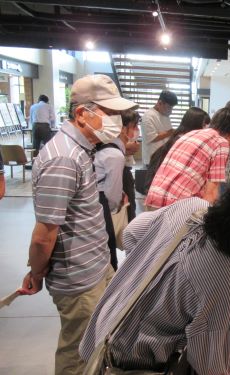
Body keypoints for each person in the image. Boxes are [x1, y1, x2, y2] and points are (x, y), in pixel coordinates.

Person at [80, 170, 230, 374]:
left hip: (104, 332)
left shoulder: (192, 207)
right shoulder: (225, 282)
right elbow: (211, 366)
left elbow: (133, 233)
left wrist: (151, 279)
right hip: (132, 364)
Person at [18, 74, 138, 375]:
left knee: (95, 347)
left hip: (94, 267)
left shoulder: (83, 150)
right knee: (78, 355)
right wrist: (36, 271)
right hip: (79, 280)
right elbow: (44, 235)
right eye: (109, 113)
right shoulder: (64, 159)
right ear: (82, 113)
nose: (116, 121)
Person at [145, 107, 230, 209]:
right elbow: (211, 194)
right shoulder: (221, 143)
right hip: (175, 206)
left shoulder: (192, 133)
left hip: (153, 198)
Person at [94, 109, 140, 270]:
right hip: (103, 209)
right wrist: (117, 206)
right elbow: (112, 197)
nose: (136, 131)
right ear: (122, 128)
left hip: (99, 207)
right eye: (134, 126)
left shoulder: (105, 148)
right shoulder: (115, 155)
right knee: (109, 251)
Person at [144, 107, 210, 193]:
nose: (206, 129)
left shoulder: (178, 138)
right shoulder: (184, 143)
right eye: (204, 125)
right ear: (195, 124)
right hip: (166, 191)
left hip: (160, 189)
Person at [140, 90, 177, 167]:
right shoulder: (148, 116)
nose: (170, 110)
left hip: (164, 159)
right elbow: (152, 137)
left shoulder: (165, 115)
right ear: (160, 103)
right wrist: (170, 132)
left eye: (172, 107)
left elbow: (168, 135)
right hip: (152, 161)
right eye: (169, 107)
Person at [121, 110, 141, 222]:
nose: (137, 130)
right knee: (128, 208)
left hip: (126, 171)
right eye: (134, 126)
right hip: (123, 173)